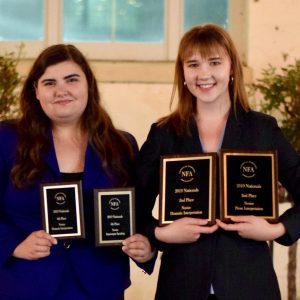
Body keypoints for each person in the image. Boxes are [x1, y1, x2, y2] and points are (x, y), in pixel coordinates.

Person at [135, 23, 300, 300]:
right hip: (181, 286)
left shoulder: (262, 129)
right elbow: (132, 205)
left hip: (250, 287)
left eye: (214, 62)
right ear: (183, 73)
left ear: (232, 68)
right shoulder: (164, 134)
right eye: (193, 64)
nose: (204, 74)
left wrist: (276, 229)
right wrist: (162, 233)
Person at [0, 44, 155, 300]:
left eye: (72, 80)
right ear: (35, 91)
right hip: (26, 284)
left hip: (100, 285)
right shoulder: (6, 139)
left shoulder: (121, 145)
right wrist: (14, 245)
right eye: (49, 82)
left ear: (88, 86)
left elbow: (137, 212)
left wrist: (147, 245)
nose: (61, 90)